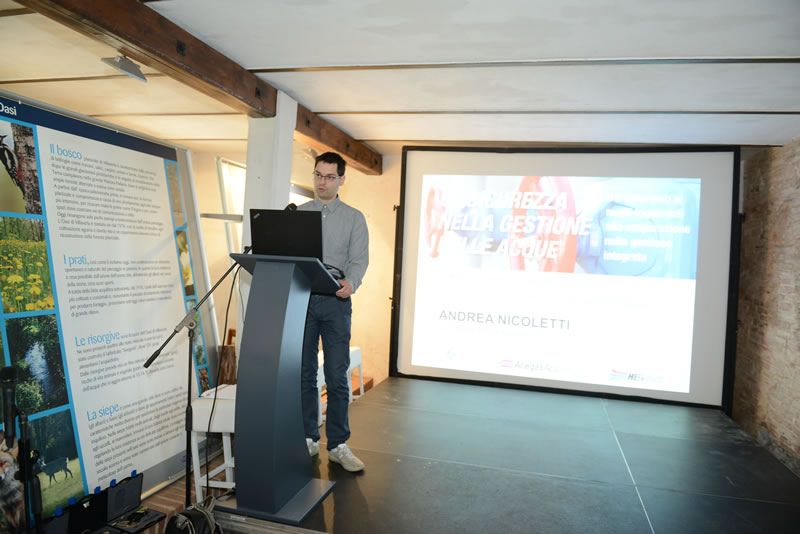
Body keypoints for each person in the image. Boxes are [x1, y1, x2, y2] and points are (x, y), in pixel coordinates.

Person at [298, 151, 369, 472]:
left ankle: (338, 444)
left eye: (329, 177)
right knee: (304, 373)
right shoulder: (298, 214)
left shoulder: (354, 218)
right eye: (318, 175)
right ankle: (308, 437)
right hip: (302, 302)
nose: (322, 182)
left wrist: (351, 283)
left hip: (336, 303)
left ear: (341, 180)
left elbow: (359, 260)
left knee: (337, 376)